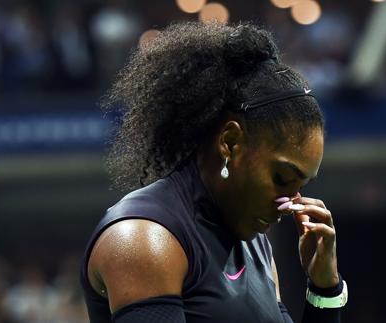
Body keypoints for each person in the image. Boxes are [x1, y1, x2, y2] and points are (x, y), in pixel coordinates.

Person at [80, 21, 347, 323]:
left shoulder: (254, 244)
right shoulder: (145, 239)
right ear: (230, 142)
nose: (290, 203)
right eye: (282, 178)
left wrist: (325, 286)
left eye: (301, 185)